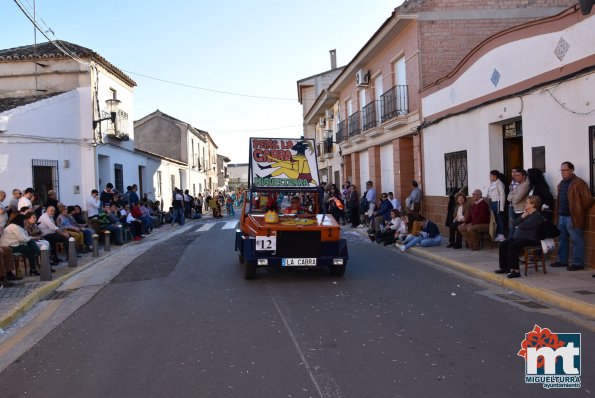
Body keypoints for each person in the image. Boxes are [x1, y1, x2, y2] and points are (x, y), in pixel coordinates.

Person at [551, 161, 593, 271]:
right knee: (562, 239)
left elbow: (588, 201)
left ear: (571, 170)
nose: (562, 172)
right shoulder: (561, 183)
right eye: (561, 170)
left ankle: (578, 263)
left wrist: (578, 210)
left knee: (576, 240)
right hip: (561, 216)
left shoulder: (579, 183)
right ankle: (562, 260)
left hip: (572, 217)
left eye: (564, 170)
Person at [495, 195, 545, 278]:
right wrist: (522, 216)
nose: (525, 204)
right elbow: (514, 223)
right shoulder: (526, 213)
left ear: (532, 205)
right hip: (519, 237)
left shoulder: (537, 215)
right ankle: (505, 267)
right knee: (503, 244)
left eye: (527, 203)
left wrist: (519, 224)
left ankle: (516, 271)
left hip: (530, 239)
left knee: (512, 246)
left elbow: (524, 225)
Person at [507, 169, 530, 238]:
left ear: (524, 176)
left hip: (522, 211)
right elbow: (508, 197)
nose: (515, 177)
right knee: (512, 228)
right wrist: (513, 197)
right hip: (515, 210)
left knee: (517, 231)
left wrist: (512, 197)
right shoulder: (517, 185)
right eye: (515, 175)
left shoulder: (525, 185)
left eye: (518, 175)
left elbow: (516, 200)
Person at [486, 170, 506, 241]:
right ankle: (498, 233)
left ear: (495, 176)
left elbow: (502, 195)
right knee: (495, 219)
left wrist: (501, 207)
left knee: (499, 218)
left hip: (497, 203)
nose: (490, 177)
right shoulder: (493, 183)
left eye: (491, 176)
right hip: (492, 202)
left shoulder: (499, 184)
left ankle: (501, 234)